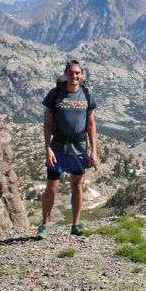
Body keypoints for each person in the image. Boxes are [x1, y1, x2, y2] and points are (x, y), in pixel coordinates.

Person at [36, 59, 98, 239]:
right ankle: (45, 225)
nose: (74, 76)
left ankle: (76, 224)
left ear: (82, 75)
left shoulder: (87, 94)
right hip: (57, 148)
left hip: (79, 149)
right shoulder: (55, 94)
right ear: (66, 74)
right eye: (71, 73)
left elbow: (91, 124)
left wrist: (94, 150)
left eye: (77, 73)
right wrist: (47, 147)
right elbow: (47, 123)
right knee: (51, 188)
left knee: (76, 186)